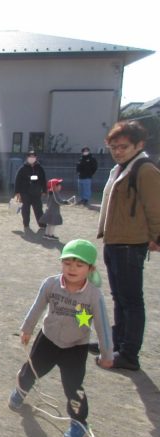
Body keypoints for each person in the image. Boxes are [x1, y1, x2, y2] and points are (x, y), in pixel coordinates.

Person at [8, 239, 113, 437]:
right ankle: (21, 390)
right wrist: (27, 329)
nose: (72, 269)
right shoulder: (51, 284)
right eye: (67, 263)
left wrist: (107, 354)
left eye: (79, 265)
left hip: (76, 347)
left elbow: (103, 325)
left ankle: (79, 423)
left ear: (90, 269)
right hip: (48, 340)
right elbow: (37, 307)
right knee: (30, 370)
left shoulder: (94, 295)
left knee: (74, 386)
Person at [93, 120, 160, 370]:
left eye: (123, 147)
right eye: (113, 147)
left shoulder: (144, 169)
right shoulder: (121, 168)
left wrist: (157, 237)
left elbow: (156, 206)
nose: (118, 151)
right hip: (115, 240)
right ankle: (116, 342)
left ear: (138, 145)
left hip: (130, 243)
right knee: (119, 297)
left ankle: (129, 353)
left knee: (131, 300)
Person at [14, 150, 47, 230]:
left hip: (36, 192)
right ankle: (26, 224)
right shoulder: (22, 168)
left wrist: (44, 190)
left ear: (36, 158)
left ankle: (42, 224)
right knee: (25, 209)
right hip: (25, 192)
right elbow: (18, 180)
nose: (32, 158)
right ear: (27, 158)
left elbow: (43, 180)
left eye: (33, 157)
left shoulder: (39, 168)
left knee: (38, 209)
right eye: (30, 157)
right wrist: (17, 192)